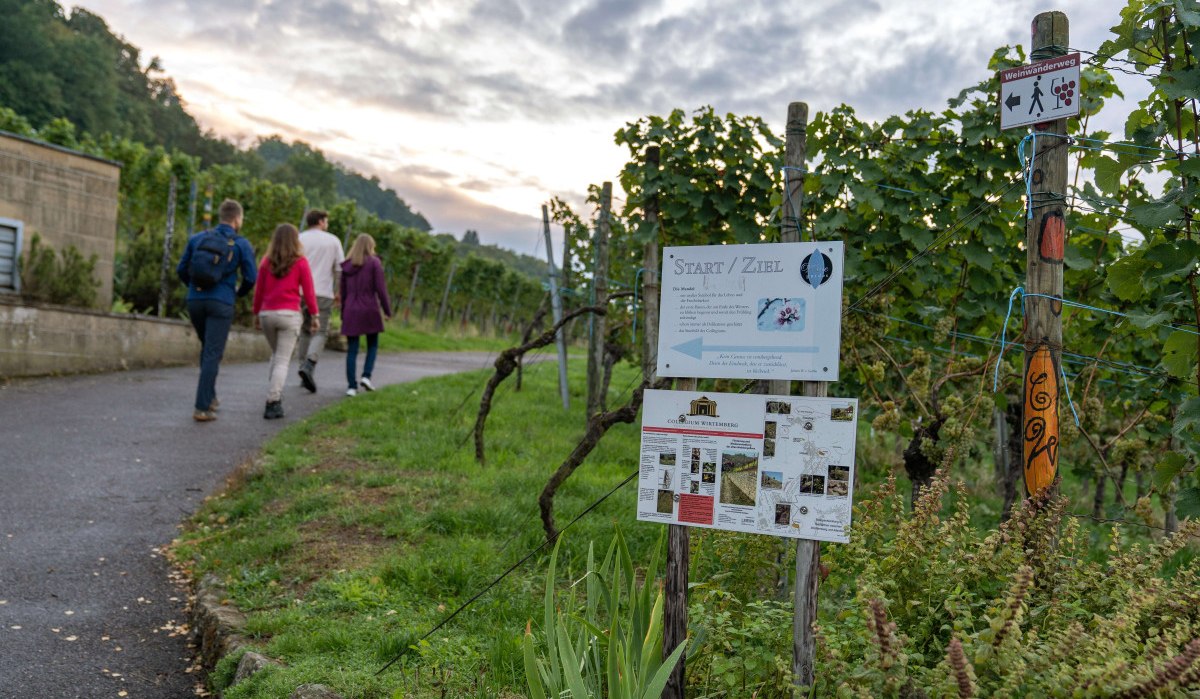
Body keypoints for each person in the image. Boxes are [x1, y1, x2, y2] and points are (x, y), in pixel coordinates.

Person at [176, 199, 257, 422]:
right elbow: (251, 277)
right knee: (213, 352)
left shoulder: (197, 238)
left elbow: (181, 269)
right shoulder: (241, 244)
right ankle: (202, 408)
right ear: (237, 219)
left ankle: (210, 397)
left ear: (221, 216)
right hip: (221, 301)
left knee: (207, 349)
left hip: (195, 300)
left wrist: (194, 289)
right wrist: (236, 294)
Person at [252, 223, 319, 420]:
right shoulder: (300, 262)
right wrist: (314, 316)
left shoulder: (266, 262)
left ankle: (275, 391)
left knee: (276, 355)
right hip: (289, 315)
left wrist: (256, 314)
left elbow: (259, 292)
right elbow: (308, 292)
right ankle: (273, 402)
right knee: (282, 360)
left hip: (267, 315)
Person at [295, 210, 344, 393]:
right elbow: (339, 270)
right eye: (327, 221)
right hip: (323, 292)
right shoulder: (333, 241)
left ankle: (302, 367)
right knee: (321, 331)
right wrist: (338, 291)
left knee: (304, 330)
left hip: (300, 292)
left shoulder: (300, 239)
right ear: (322, 222)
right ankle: (309, 363)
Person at [340, 233, 392, 396]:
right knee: (372, 345)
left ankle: (351, 387)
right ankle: (366, 376)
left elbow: (343, 293)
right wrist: (387, 310)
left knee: (352, 349)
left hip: (350, 309)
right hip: (369, 308)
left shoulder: (346, 266)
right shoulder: (375, 263)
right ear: (371, 246)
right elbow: (381, 290)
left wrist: (343, 312)